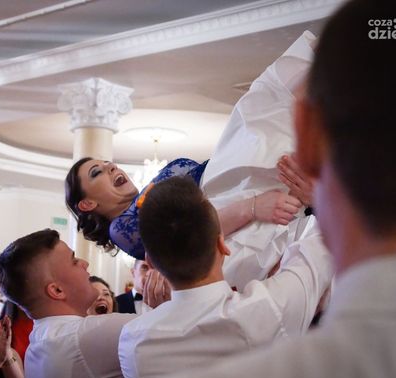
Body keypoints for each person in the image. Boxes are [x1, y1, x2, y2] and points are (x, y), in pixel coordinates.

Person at [118, 1, 396, 378]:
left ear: (306, 133)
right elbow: (310, 261)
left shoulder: (149, 366)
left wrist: (304, 202)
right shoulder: (264, 307)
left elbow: (310, 260)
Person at [66, 31, 316, 290]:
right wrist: (251, 207)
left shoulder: (149, 196)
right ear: (87, 203)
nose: (110, 167)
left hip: (222, 173)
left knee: (266, 108)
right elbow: (186, 235)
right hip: (225, 200)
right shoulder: (120, 228)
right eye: (97, 172)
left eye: (106, 163)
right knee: (270, 117)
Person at [118, 176, 332, 378]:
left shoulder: (133, 342)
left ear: (150, 262)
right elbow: (325, 242)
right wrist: (319, 197)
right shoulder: (266, 308)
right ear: (222, 243)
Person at [0, 229, 137, 378]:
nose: (85, 263)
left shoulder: (39, 338)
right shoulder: (86, 334)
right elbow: (167, 329)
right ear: (57, 290)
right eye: (74, 261)